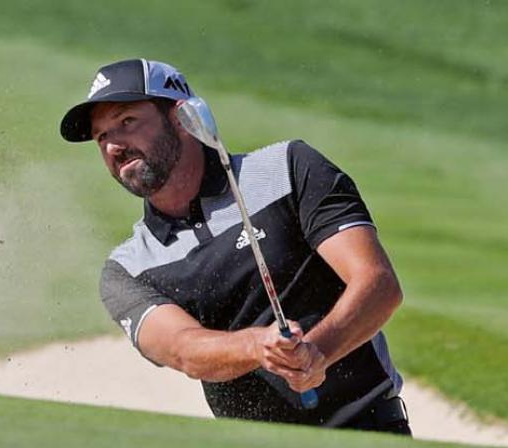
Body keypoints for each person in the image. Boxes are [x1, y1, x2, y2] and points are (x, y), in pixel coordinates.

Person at [59, 58, 411, 435]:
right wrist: (260, 346)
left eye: (127, 121)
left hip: (368, 429)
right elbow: (184, 349)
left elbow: (377, 284)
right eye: (101, 137)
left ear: (182, 118)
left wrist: (318, 352)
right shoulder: (129, 267)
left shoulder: (288, 170)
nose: (114, 145)